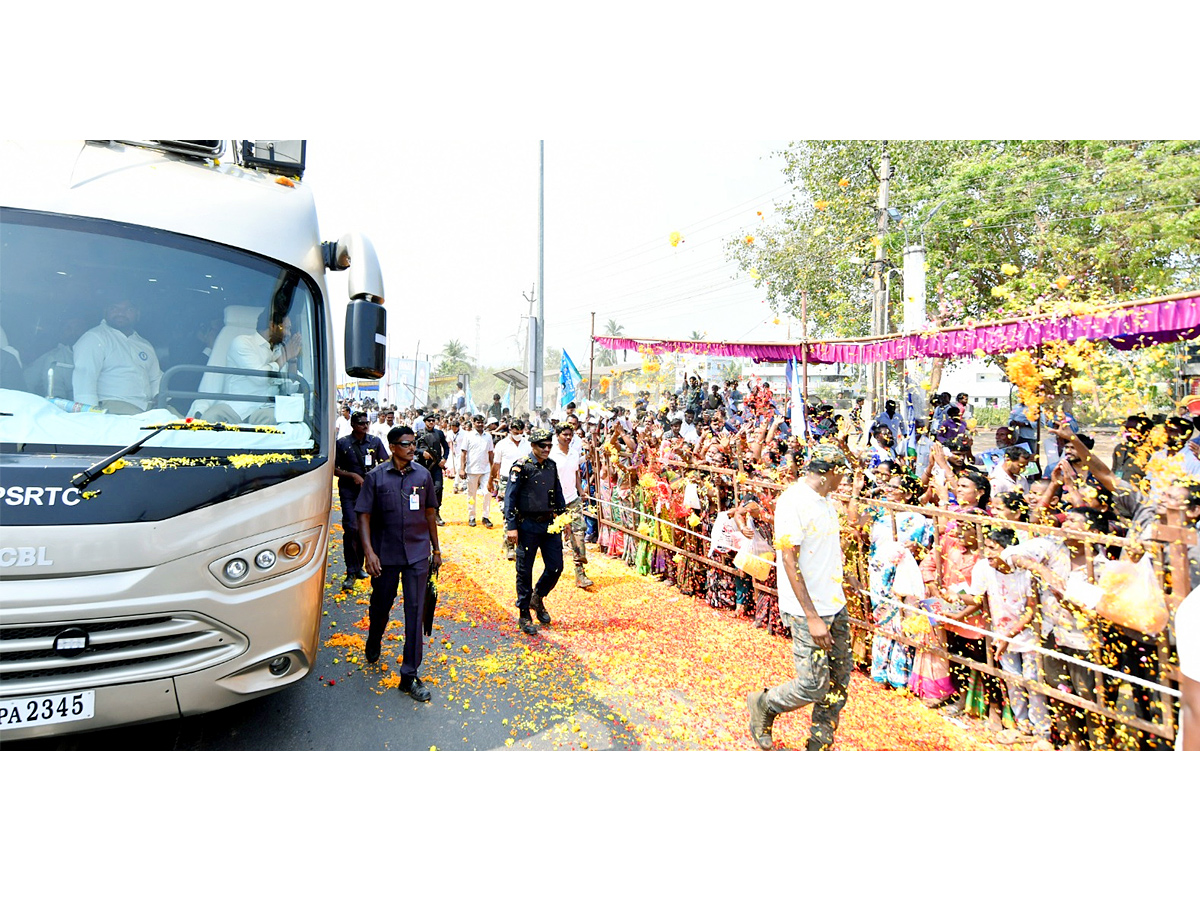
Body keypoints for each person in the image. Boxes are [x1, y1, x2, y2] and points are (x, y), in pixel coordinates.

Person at [746, 444, 855, 751]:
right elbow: (789, 561)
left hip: (835, 603)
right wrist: (811, 616)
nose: (842, 482)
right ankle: (765, 703)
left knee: (838, 684)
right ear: (826, 473)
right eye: (839, 475)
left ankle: (818, 745)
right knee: (812, 684)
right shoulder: (793, 502)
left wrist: (846, 578)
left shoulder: (826, 500)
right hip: (807, 609)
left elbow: (824, 551)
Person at [356, 425, 440, 703]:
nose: (412, 448)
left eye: (413, 443)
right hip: (386, 554)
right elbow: (364, 516)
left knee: (415, 612)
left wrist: (436, 549)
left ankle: (409, 675)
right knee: (381, 604)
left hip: (417, 554)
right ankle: (374, 637)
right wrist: (369, 553)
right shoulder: (376, 478)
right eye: (406, 444)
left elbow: (430, 513)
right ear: (392, 447)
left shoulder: (423, 475)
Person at [503, 428, 568, 635]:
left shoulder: (551, 466)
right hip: (527, 525)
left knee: (556, 566)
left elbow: (557, 493)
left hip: (549, 523)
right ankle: (524, 612)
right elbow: (510, 498)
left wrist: (563, 517)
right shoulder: (521, 467)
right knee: (525, 570)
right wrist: (511, 526)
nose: (547, 449)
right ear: (533, 446)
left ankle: (537, 597)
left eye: (549, 445)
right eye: (543, 446)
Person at [72, 297, 163, 413]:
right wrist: (90, 416)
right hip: (112, 406)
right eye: (114, 308)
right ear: (105, 312)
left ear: (137, 314)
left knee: (187, 426)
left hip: (147, 407)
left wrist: (159, 397)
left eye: (128, 309)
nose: (121, 313)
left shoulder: (144, 344)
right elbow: (84, 380)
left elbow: (156, 378)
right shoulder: (94, 338)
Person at [333, 411, 388, 591]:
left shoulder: (375, 442)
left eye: (367, 423)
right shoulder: (342, 444)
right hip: (349, 491)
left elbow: (385, 463)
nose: (365, 426)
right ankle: (351, 570)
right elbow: (335, 469)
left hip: (370, 492)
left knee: (367, 529)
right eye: (361, 423)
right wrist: (353, 475)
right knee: (351, 528)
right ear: (353, 425)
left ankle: (361, 567)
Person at [221, 309, 303, 423]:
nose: (289, 334)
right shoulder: (242, 342)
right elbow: (260, 378)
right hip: (236, 409)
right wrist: (284, 357)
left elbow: (290, 389)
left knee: (275, 419)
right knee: (211, 417)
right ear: (272, 326)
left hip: (266, 410)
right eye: (287, 328)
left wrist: (292, 360)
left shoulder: (280, 351)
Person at [550, 421, 594, 588]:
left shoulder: (575, 453)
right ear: (557, 435)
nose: (568, 438)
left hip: (572, 498)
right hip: (555, 501)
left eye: (570, 435)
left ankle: (580, 572)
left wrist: (580, 490)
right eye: (565, 435)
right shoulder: (552, 454)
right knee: (555, 536)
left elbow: (575, 472)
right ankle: (552, 568)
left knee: (578, 532)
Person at [492, 419, 531, 560]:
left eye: (521, 432)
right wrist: (491, 479)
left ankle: (517, 541)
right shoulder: (501, 445)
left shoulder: (527, 444)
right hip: (505, 481)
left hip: (523, 481)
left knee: (521, 513)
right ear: (510, 431)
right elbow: (496, 464)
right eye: (516, 432)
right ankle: (510, 547)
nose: (519, 435)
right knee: (507, 512)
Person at [460, 413, 495, 527]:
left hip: (486, 469)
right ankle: (472, 516)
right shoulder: (468, 435)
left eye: (481, 422)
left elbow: (490, 453)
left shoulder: (488, 436)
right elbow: (463, 453)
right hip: (471, 469)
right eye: (477, 422)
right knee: (472, 495)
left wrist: (493, 470)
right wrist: (462, 469)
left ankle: (485, 517)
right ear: (473, 423)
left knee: (487, 493)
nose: (480, 424)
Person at [414, 412, 448, 526]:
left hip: (436, 465)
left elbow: (446, 447)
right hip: (422, 466)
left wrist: (444, 458)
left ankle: (436, 512)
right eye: (429, 421)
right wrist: (421, 452)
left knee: (438, 487)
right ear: (425, 422)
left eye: (433, 421)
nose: (431, 423)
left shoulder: (439, 433)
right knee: (420, 489)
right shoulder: (419, 434)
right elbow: (413, 447)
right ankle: (421, 513)